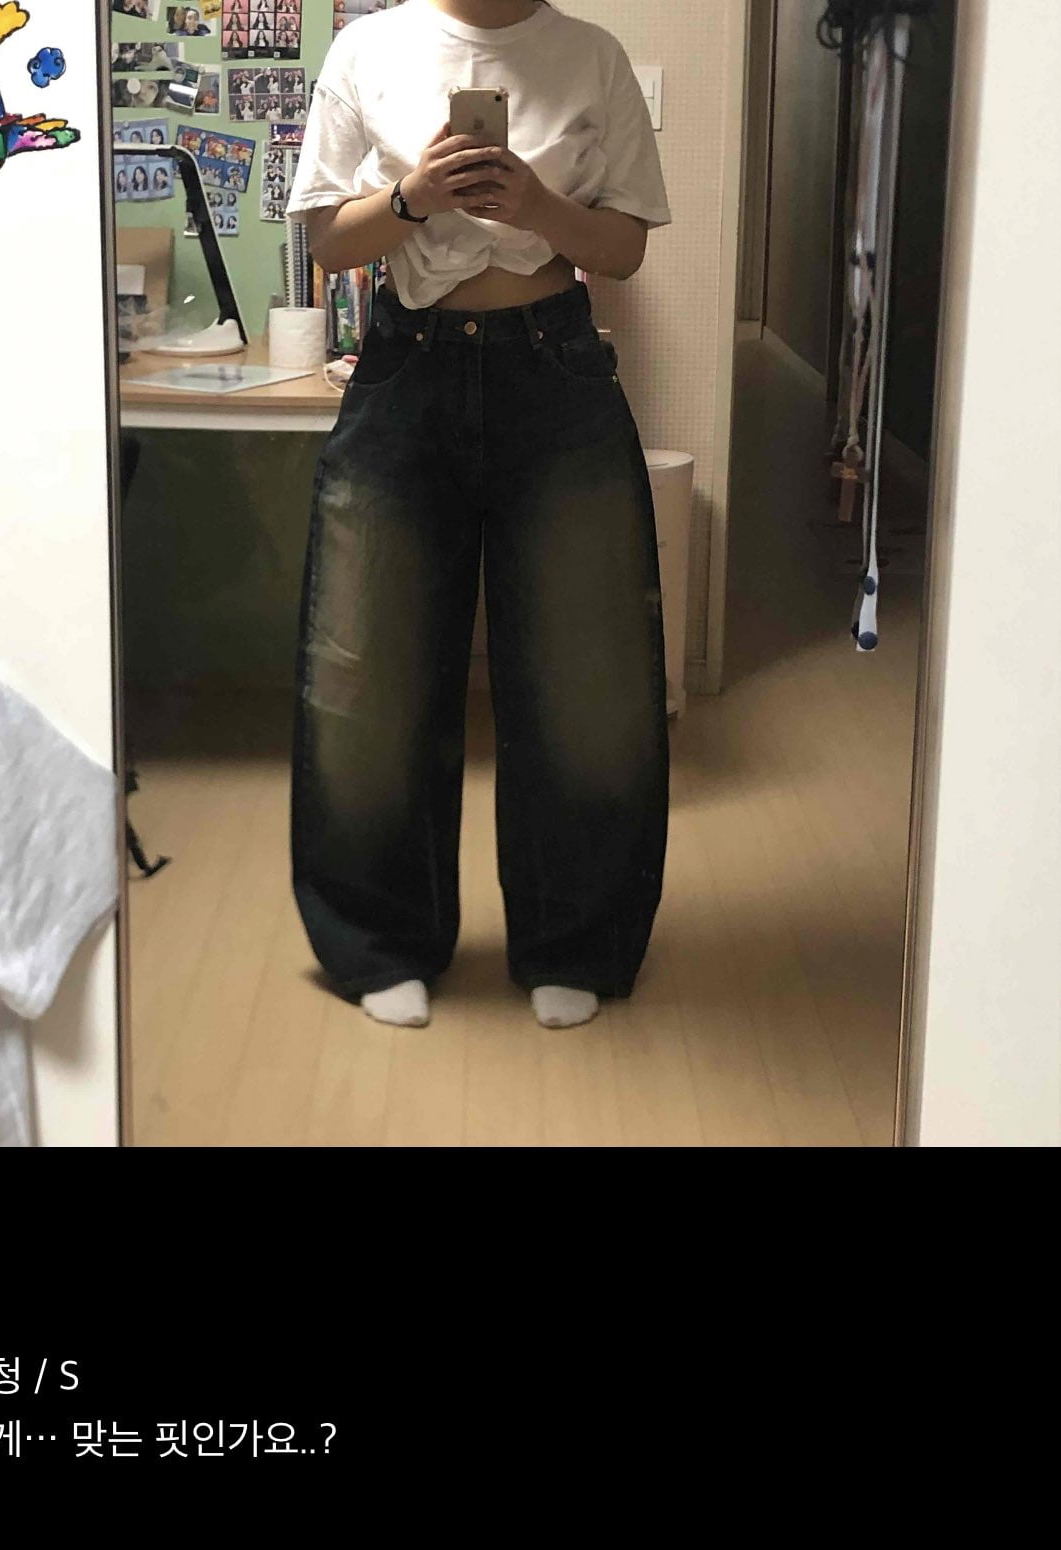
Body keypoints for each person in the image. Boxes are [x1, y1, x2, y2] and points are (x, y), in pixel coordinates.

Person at [284, 0, 672, 1032]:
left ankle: (576, 937)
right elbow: (328, 243)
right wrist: (413, 198)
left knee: (587, 673)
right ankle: (377, 937)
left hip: (556, 365)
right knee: (372, 665)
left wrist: (537, 204)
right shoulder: (368, 49)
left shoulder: (591, 56)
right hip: (406, 363)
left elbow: (624, 249)